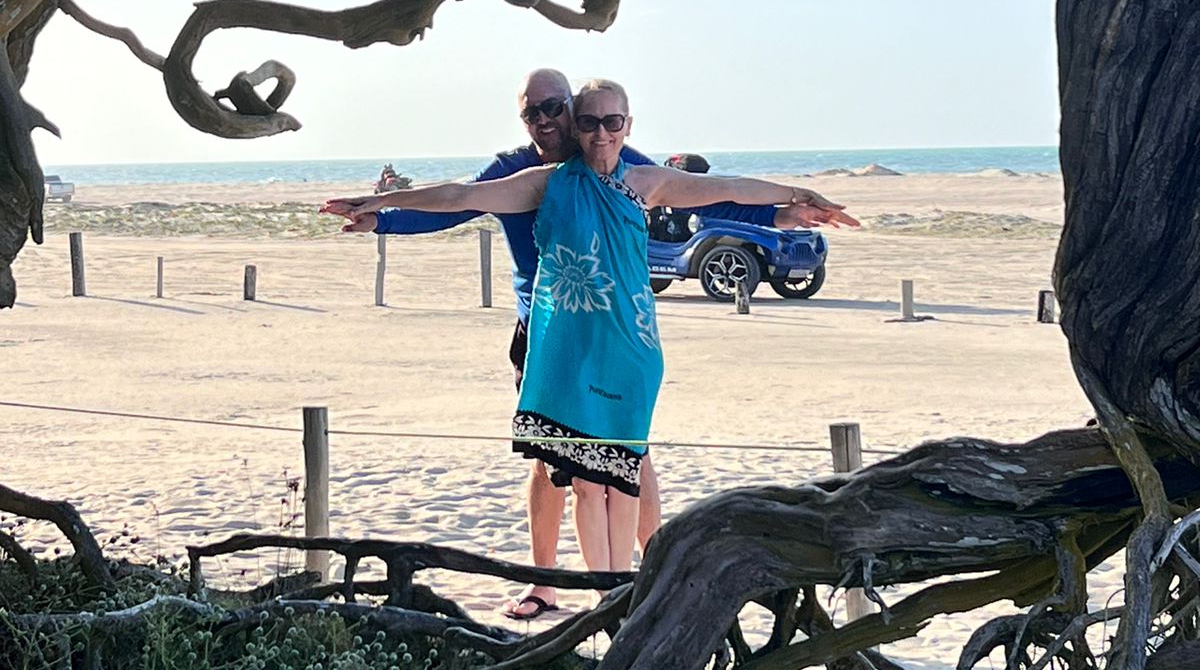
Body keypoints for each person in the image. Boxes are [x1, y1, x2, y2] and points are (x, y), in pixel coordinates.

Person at [323, 80, 858, 584]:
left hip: (626, 342)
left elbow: (721, 190)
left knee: (626, 470)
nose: (591, 129)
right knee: (565, 471)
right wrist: (382, 209)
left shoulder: (639, 176)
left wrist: (791, 201)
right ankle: (569, 586)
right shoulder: (537, 179)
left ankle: (641, 584)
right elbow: (460, 199)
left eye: (608, 120)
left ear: (624, 124)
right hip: (552, 337)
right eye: (543, 113)